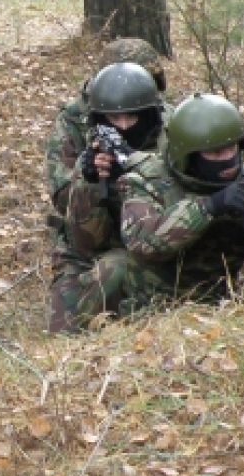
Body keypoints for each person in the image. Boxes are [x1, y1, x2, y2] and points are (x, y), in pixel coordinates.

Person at [56, 92, 244, 328]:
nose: (227, 160)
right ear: (188, 153)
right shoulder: (147, 179)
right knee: (112, 267)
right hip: (150, 300)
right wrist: (212, 205)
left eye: (232, 149)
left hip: (216, 298)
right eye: (214, 153)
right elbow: (143, 242)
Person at [44, 40, 167, 333]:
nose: (124, 123)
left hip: (154, 234)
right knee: (65, 336)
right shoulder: (74, 120)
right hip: (86, 243)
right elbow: (63, 200)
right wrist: (89, 177)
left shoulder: (166, 119)